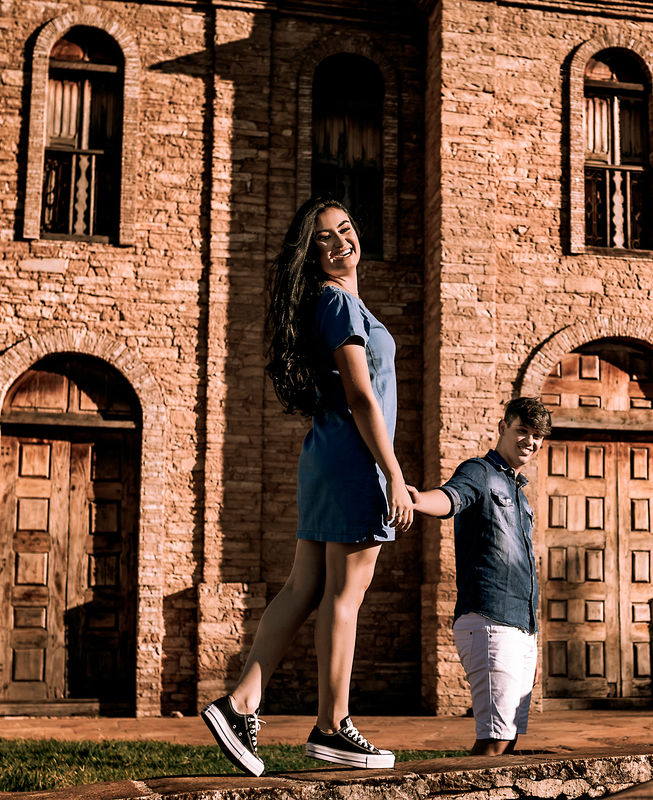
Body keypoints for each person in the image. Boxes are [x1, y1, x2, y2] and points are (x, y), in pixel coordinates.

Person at [202, 198, 414, 775]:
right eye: (325, 237)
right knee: (345, 596)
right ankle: (332, 726)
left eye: (346, 229)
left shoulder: (330, 301)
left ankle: (240, 702)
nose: (341, 242)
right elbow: (362, 396)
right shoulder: (338, 303)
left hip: (326, 457)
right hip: (354, 461)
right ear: (310, 252)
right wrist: (394, 474)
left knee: (304, 587)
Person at [407, 397, 552, 755]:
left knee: (508, 739)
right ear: (503, 428)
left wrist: (532, 640)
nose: (530, 441)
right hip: (490, 621)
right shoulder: (479, 472)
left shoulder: (520, 495)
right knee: (494, 740)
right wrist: (418, 500)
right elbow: (451, 498)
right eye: (523, 431)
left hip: (520, 627)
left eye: (537, 436)